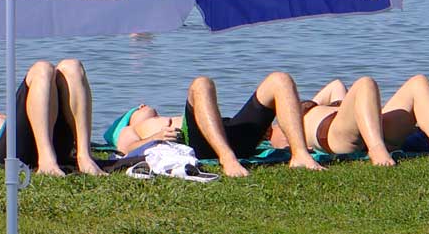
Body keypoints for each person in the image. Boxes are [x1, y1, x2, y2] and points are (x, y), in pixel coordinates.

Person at [109, 71, 321, 179]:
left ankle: (300, 155)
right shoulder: (133, 127)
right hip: (201, 144)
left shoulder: (157, 116)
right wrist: (156, 138)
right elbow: (126, 149)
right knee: (201, 83)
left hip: (227, 130)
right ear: (131, 115)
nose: (143, 106)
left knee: (280, 79)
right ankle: (227, 159)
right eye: (138, 109)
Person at [0, 58, 103, 176]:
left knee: (72, 66)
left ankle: (84, 157)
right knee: (42, 69)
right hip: (15, 151)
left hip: (50, 140)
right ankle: (46, 160)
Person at [298, 74, 429, 165]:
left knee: (419, 82)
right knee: (366, 83)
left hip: (369, 125)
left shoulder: (335, 99)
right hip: (334, 133)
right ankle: (376, 149)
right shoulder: (287, 124)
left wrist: (313, 102)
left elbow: (335, 84)